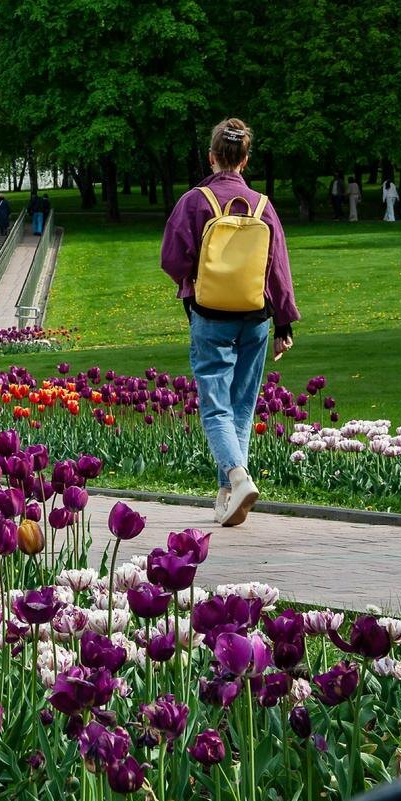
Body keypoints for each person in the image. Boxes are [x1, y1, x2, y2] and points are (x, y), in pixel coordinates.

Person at [160, 118, 300, 528]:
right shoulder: (263, 205)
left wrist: (195, 276)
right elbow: (278, 270)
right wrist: (285, 323)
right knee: (241, 405)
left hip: (210, 316)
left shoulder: (195, 201)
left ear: (212, 156)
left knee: (216, 408)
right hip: (256, 319)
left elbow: (171, 259)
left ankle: (237, 478)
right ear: (246, 159)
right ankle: (227, 496)